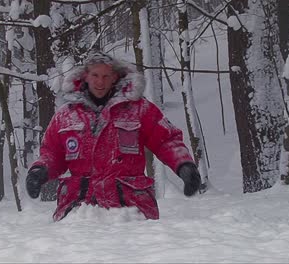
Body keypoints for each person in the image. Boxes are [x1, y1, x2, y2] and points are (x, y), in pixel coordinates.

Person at [26, 51, 201, 221]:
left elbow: (166, 140)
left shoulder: (139, 109)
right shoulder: (65, 116)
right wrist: (39, 171)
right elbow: (52, 153)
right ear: (85, 76)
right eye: (95, 75)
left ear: (115, 77)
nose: (100, 82)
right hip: (78, 211)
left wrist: (183, 165)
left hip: (131, 210)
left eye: (106, 76)